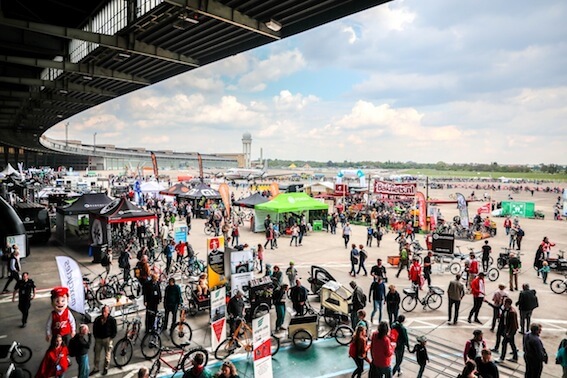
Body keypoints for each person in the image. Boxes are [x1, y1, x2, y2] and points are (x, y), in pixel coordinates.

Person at [92, 305, 117, 376]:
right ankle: (96, 368)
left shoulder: (112, 320)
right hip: (99, 339)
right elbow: (94, 329)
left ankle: (106, 368)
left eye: (105, 312)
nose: (104, 313)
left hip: (107, 339)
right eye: (103, 311)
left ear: (108, 312)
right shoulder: (97, 319)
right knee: (96, 355)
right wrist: (96, 337)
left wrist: (111, 338)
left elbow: (114, 330)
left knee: (107, 355)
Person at [495, 297, 518, 363]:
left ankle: (502, 358)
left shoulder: (512, 312)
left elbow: (513, 325)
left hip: (510, 331)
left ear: (508, 304)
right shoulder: (506, 309)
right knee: (512, 343)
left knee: (504, 343)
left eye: (505, 303)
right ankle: (515, 357)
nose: (503, 304)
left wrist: (508, 333)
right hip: (507, 329)